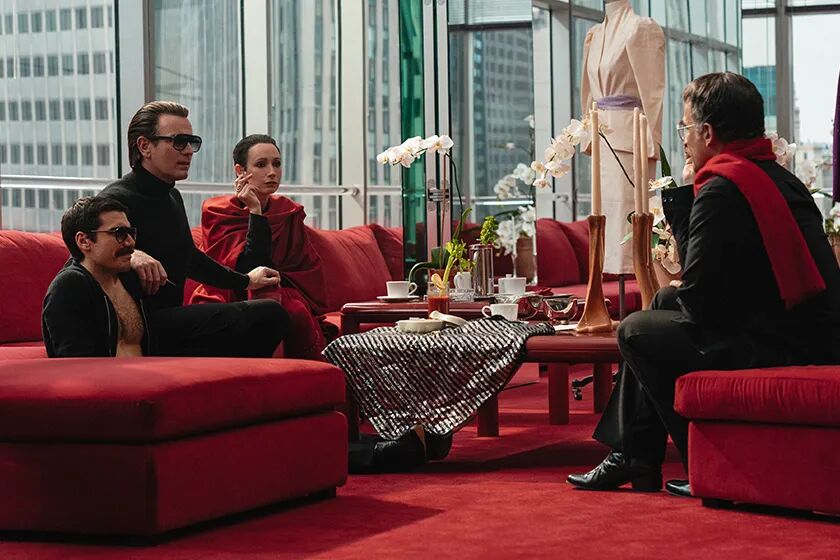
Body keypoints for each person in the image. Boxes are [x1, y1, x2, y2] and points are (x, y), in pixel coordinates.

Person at [567, 72, 840, 497]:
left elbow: (698, 302)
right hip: (806, 330)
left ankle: (703, 461)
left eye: (685, 129)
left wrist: (685, 199)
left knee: (635, 330)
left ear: (707, 133)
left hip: (784, 343)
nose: (684, 140)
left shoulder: (724, 188)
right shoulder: (779, 178)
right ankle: (634, 455)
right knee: (662, 298)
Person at [100, 101, 288, 357]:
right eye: (179, 142)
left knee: (268, 315)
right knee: (268, 314)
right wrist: (132, 255)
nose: (189, 151)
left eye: (192, 142)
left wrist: (246, 281)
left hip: (169, 323)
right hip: (132, 329)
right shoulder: (115, 198)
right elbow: (81, 249)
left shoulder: (171, 196)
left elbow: (189, 258)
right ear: (144, 146)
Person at [188, 134, 333, 359]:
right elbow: (250, 269)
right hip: (228, 294)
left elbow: (306, 269)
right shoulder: (219, 211)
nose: (272, 172)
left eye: (277, 163)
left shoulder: (287, 211)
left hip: (278, 291)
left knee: (291, 308)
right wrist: (255, 212)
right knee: (283, 308)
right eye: (261, 164)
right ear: (240, 171)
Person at [43, 196, 150, 357]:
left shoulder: (129, 276)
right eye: (119, 233)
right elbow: (75, 363)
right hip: (102, 374)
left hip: (147, 371)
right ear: (84, 241)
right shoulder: (69, 287)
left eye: (130, 232)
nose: (130, 242)